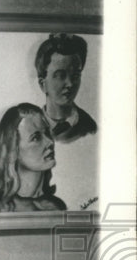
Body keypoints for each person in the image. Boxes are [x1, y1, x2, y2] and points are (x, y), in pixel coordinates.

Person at [33, 33, 98, 211]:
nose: (69, 83)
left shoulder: (91, 130)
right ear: (42, 83)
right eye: (60, 75)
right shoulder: (29, 130)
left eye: (75, 75)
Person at [0, 103, 66, 213]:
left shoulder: (57, 206)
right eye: (36, 138)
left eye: (47, 133)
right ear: (13, 150)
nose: (50, 142)